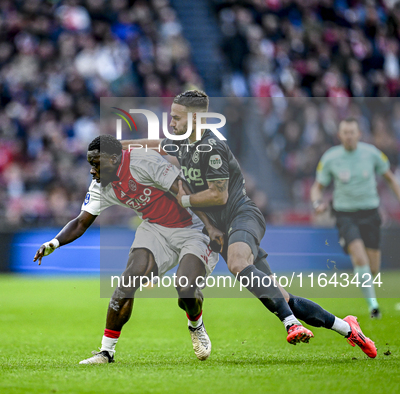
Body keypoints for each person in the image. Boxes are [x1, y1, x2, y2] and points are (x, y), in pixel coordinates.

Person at [121, 90, 377, 358]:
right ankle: (347, 328)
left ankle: (291, 324)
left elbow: (219, 194)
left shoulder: (213, 147)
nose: (171, 123)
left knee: (237, 264)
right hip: (221, 229)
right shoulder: (182, 143)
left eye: (176, 118)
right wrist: (119, 146)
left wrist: (183, 199)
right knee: (283, 298)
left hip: (242, 216)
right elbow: (153, 144)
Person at [34, 135, 222, 364]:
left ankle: (196, 323)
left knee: (185, 288)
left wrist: (211, 227)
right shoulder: (100, 186)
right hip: (155, 229)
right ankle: (106, 352)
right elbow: (80, 222)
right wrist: (53, 243)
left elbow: (183, 190)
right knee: (129, 279)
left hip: (193, 227)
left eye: (96, 164)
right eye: (90, 165)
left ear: (114, 159)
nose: (92, 171)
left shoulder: (144, 162)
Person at [311, 118, 400, 319]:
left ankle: (370, 294)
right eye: (345, 132)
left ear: (359, 134)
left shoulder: (372, 154)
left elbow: (390, 179)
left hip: (370, 213)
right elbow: (317, 187)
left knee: (373, 268)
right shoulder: (331, 157)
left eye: (352, 132)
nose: (349, 136)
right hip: (345, 214)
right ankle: (373, 306)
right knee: (359, 256)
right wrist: (318, 204)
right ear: (340, 135)